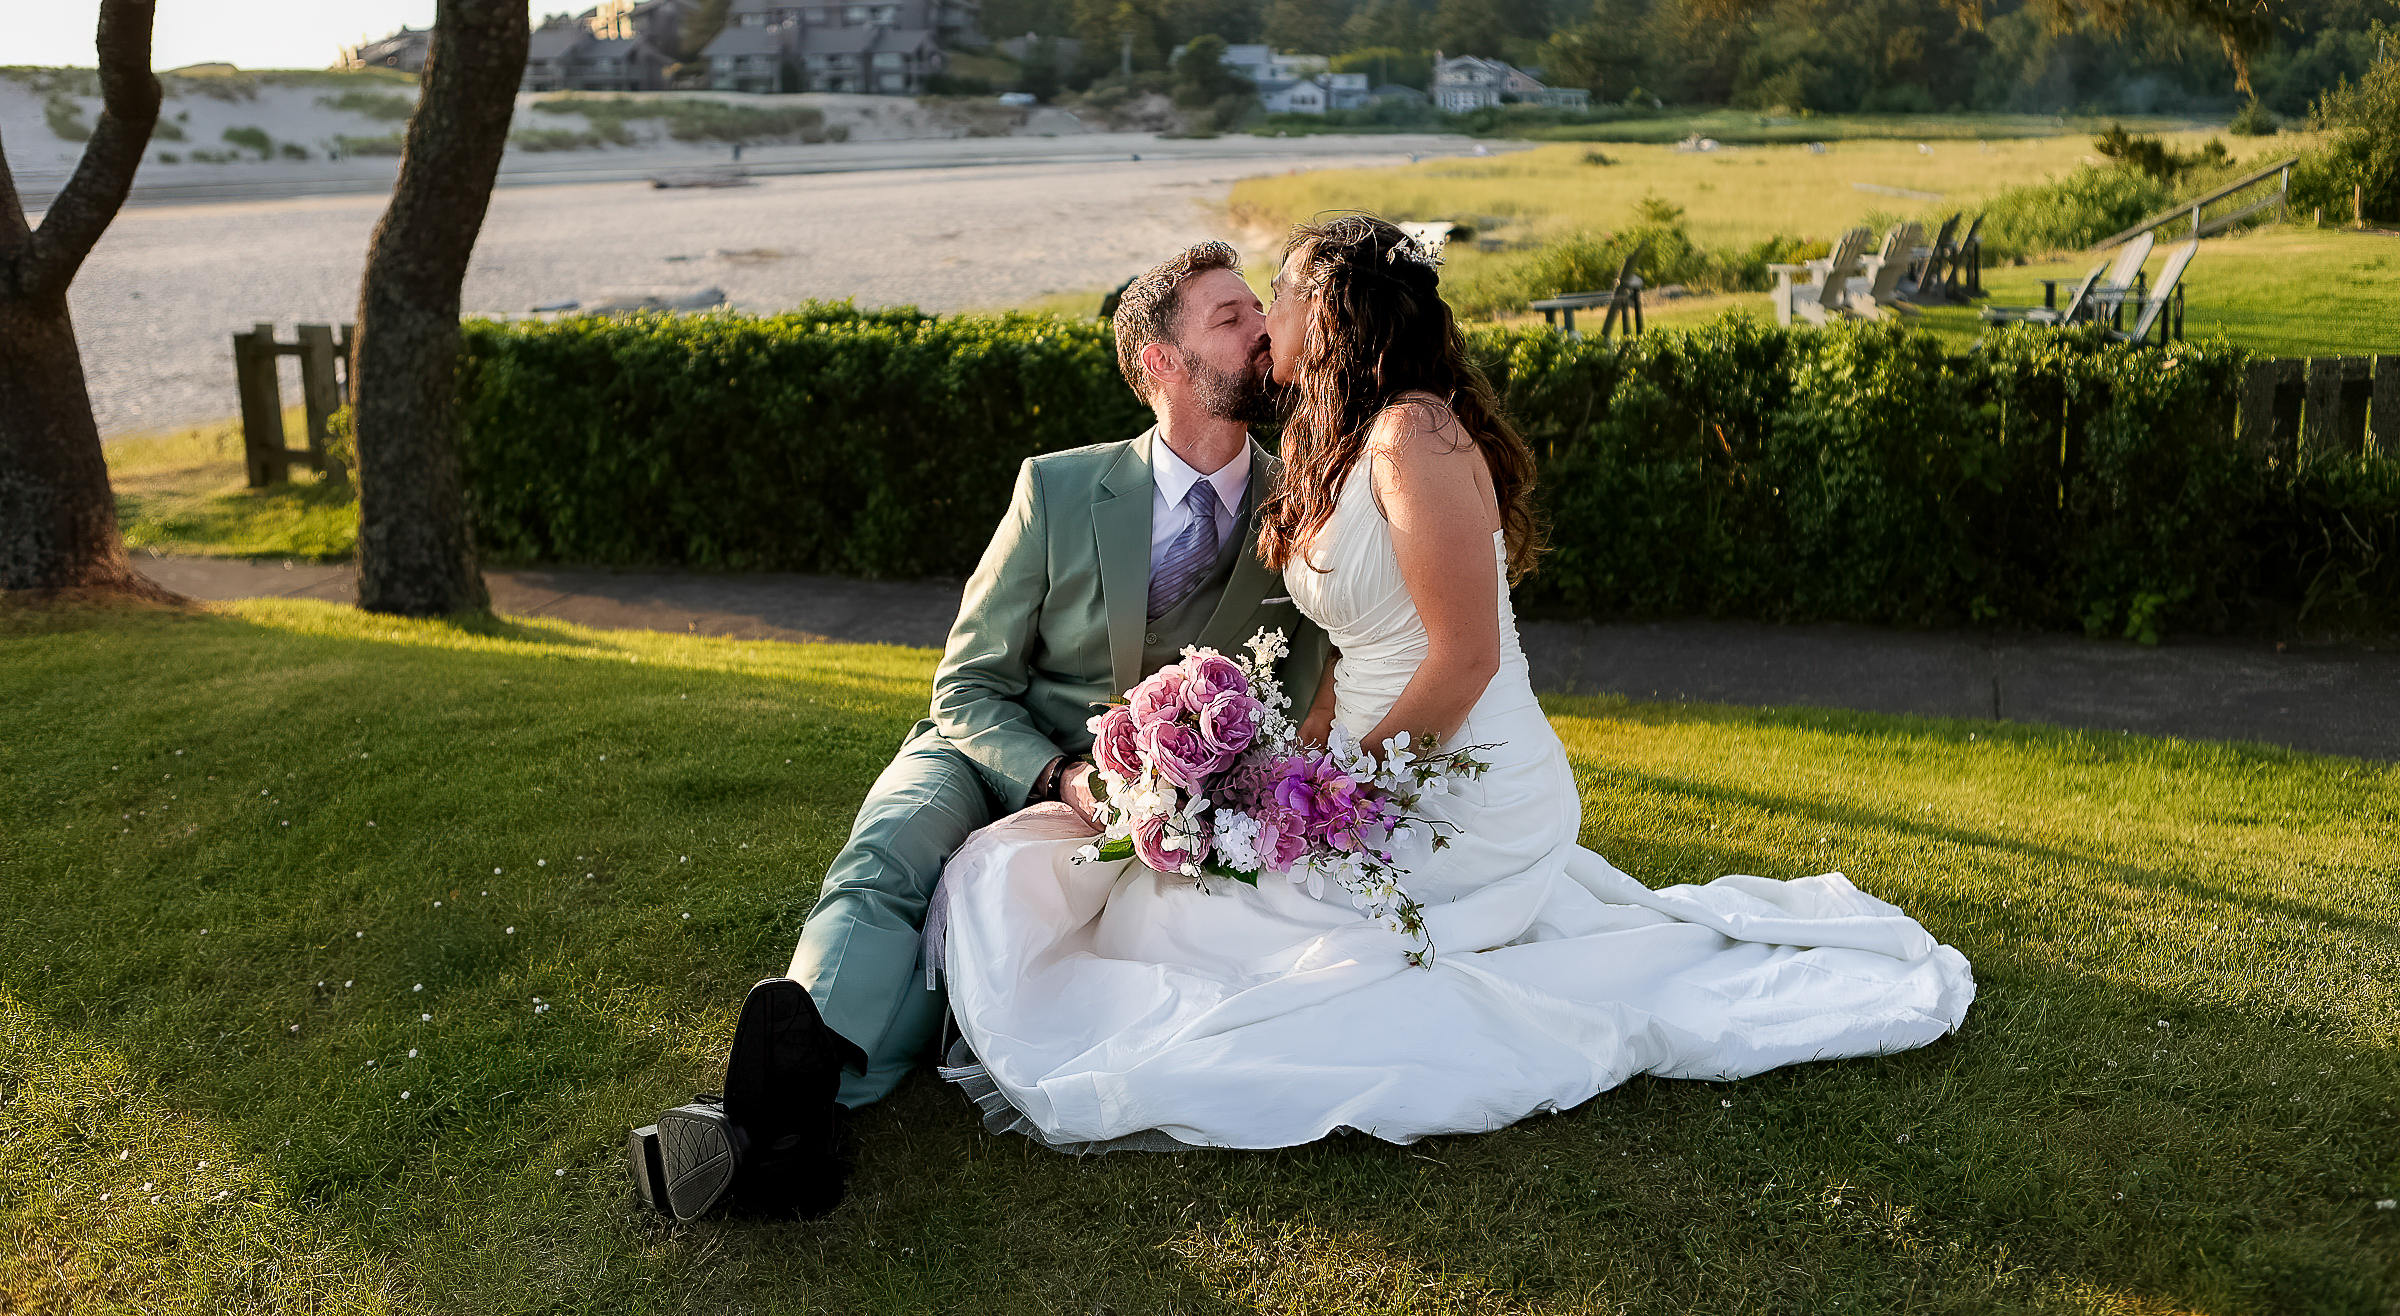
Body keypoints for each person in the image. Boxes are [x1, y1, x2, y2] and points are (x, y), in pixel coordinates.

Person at [926, 213, 1975, 1152]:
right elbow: (1340, 650)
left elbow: (1466, 657)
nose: (1266, 318)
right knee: (1184, 906)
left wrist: (1344, 793)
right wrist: (1299, 769)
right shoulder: (1333, 440)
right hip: (1376, 766)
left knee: (1212, 932)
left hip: (1464, 784)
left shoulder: (1414, 436)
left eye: (1280, 295)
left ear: (1328, 311)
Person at [627, 241, 1330, 1218]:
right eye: (1230, 318)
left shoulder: (1301, 508)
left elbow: (1302, 691)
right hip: (988, 746)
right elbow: (965, 684)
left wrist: (1183, 789)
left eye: (1261, 311)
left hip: (1158, 799)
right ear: (1157, 364)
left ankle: (780, 1121)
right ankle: (791, 1083)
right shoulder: (1056, 488)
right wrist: (1057, 777)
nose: (1263, 329)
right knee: (888, 857)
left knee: (958, 941)